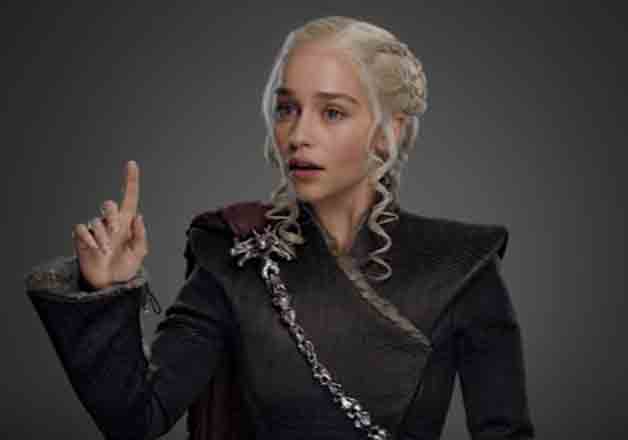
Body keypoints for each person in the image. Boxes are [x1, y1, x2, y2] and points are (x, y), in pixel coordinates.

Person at [24, 16, 535, 440]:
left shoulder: (461, 267)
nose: (298, 134)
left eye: (332, 112)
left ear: (389, 132)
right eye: (287, 109)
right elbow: (137, 418)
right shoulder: (234, 253)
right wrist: (106, 290)